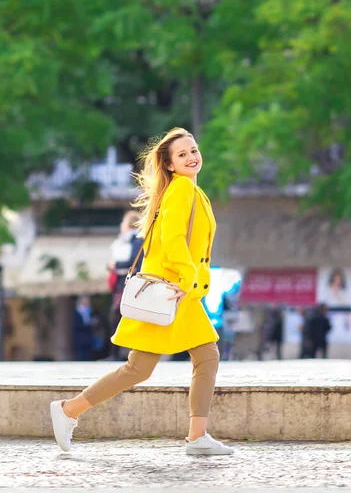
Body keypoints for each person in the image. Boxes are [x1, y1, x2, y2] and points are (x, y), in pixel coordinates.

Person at [50, 127, 233, 456]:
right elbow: (173, 239)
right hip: (173, 289)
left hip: (177, 290)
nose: (192, 157)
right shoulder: (181, 191)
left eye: (193, 150)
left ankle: (197, 436)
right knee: (147, 367)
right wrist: (189, 277)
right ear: (170, 165)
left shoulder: (187, 189)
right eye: (182, 154)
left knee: (196, 358)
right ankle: (68, 410)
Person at [107, 210, 144, 360]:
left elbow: (133, 261)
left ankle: (119, 352)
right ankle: (117, 352)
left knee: (120, 316)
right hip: (124, 283)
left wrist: (115, 264)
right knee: (119, 316)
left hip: (129, 284)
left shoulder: (137, 240)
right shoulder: (126, 240)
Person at [73, 296, 94, 361]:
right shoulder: (78, 311)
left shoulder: (90, 310)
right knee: (81, 353)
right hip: (80, 335)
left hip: (88, 335)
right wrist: (89, 324)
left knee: (88, 353)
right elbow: (77, 324)